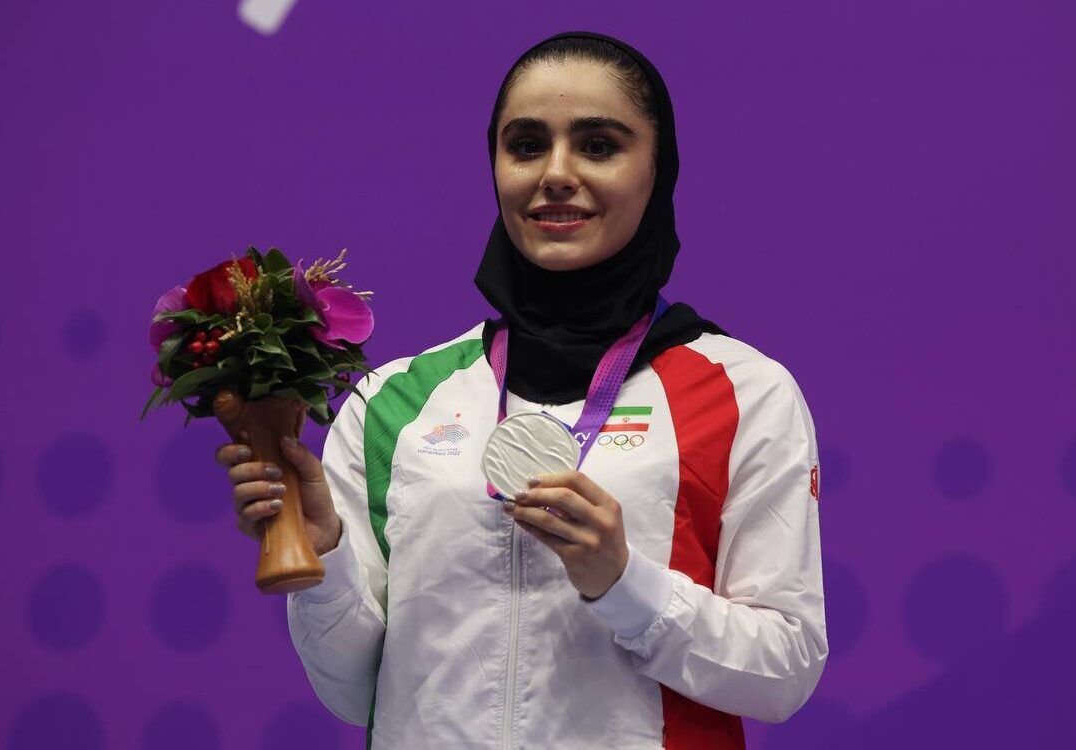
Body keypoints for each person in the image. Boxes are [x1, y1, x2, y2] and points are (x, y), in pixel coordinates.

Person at [215, 30, 827, 749]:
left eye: (599, 145)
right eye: (527, 145)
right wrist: (325, 558)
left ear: (657, 171)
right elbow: (355, 693)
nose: (556, 174)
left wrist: (623, 583)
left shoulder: (741, 394)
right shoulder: (393, 403)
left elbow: (784, 671)